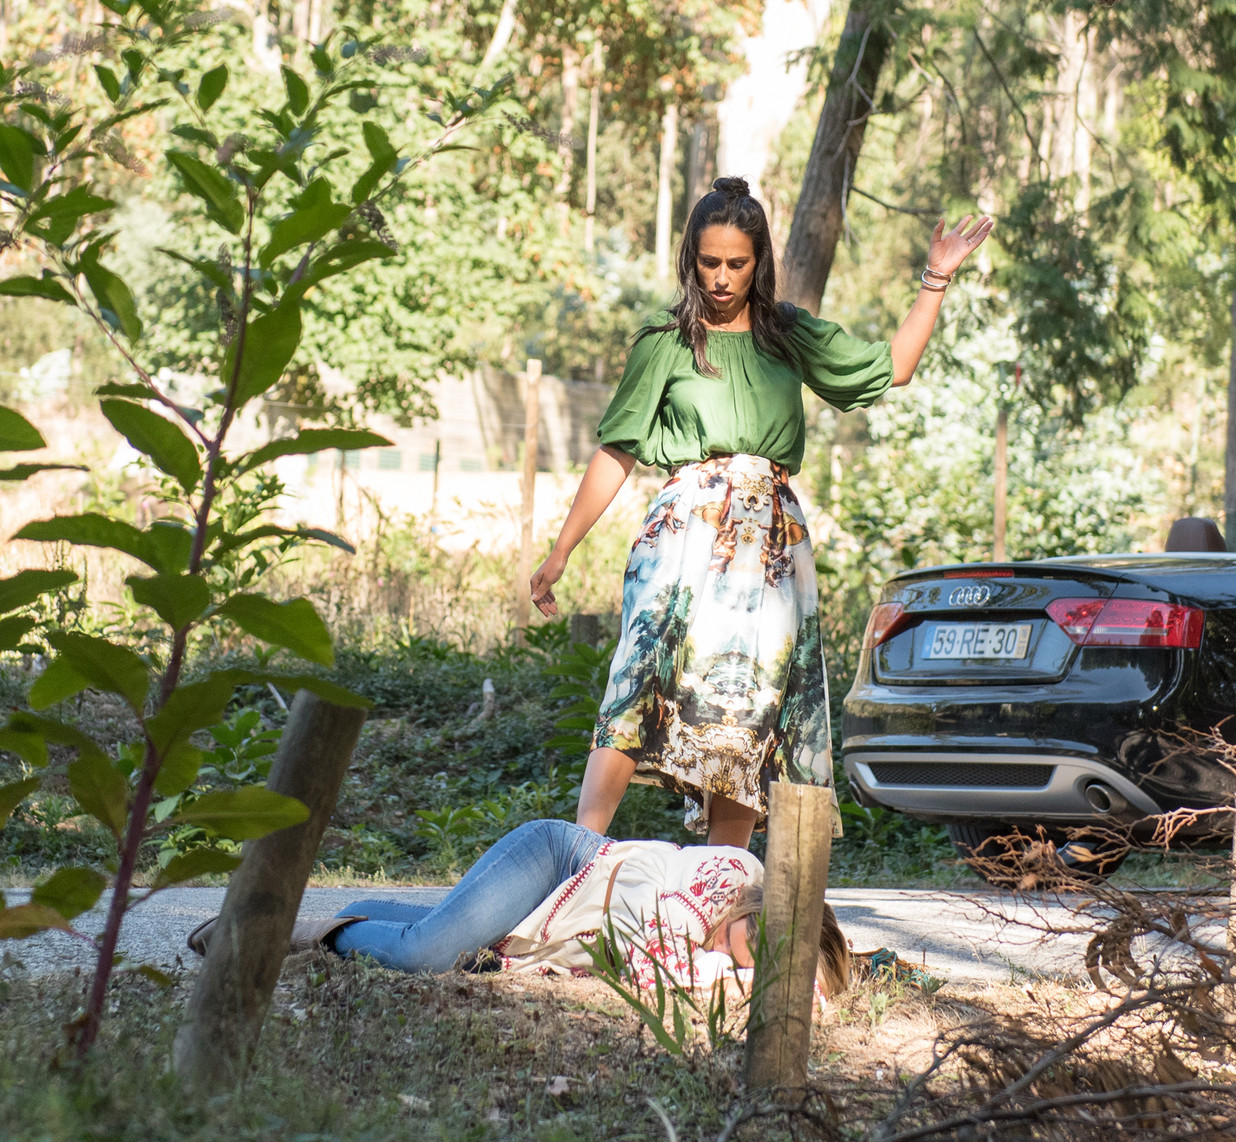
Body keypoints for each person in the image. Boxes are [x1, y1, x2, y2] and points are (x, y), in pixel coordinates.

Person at [527, 176, 995, 845]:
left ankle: (721, 894)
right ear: (691, 260)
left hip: (768, 546)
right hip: (686, 530)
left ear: (759, 262)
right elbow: (616, 449)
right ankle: (576, 859)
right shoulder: (664, 341)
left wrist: (935, 279)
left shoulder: (788, 334)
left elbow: (892, 367)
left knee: (745, 713)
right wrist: (560, 549)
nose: (721, 278)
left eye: (736, 264)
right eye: (708, 263)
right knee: (638, 683)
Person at [185, 819, 854, 997]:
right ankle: (278, 933)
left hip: (549, 922)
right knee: (424, 954)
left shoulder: (734, 945)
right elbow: (649, 955)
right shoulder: (729, 876)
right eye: (749, 943)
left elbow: (812, 997)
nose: (738, 960)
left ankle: (359, 915)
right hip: (558, 864)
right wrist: (724, 975)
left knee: (422, 933)